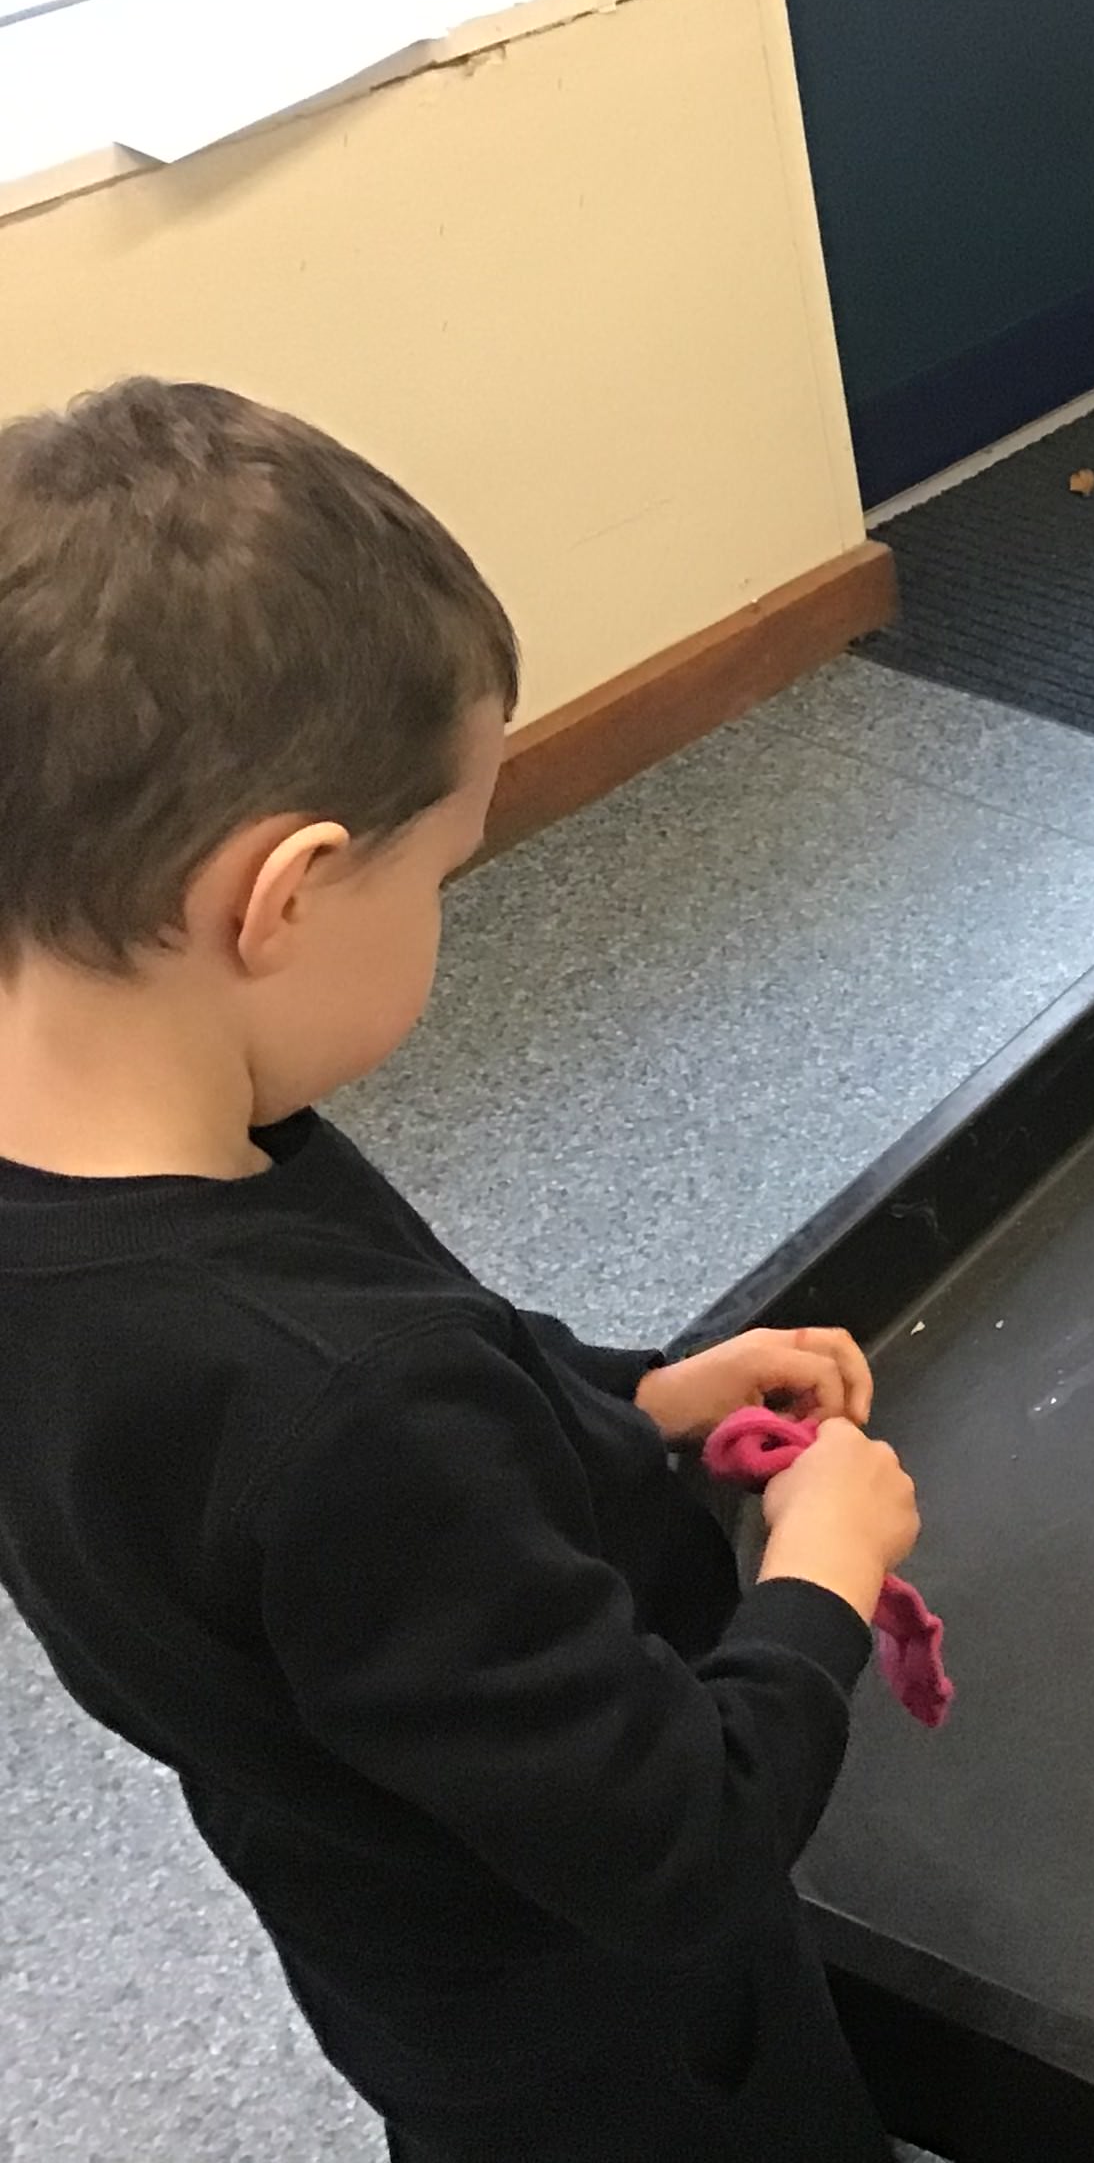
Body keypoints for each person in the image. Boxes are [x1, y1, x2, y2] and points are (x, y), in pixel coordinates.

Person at [0, 380, 923, 2162]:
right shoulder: (337, 1403)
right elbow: (683, 1840)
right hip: (622, 2041)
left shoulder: (133, 1195)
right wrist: (821, 1571)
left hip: (392, 1941)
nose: (447, 908)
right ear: (285, 895)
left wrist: (635, 1398)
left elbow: (369, 1459)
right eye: (443, 873)